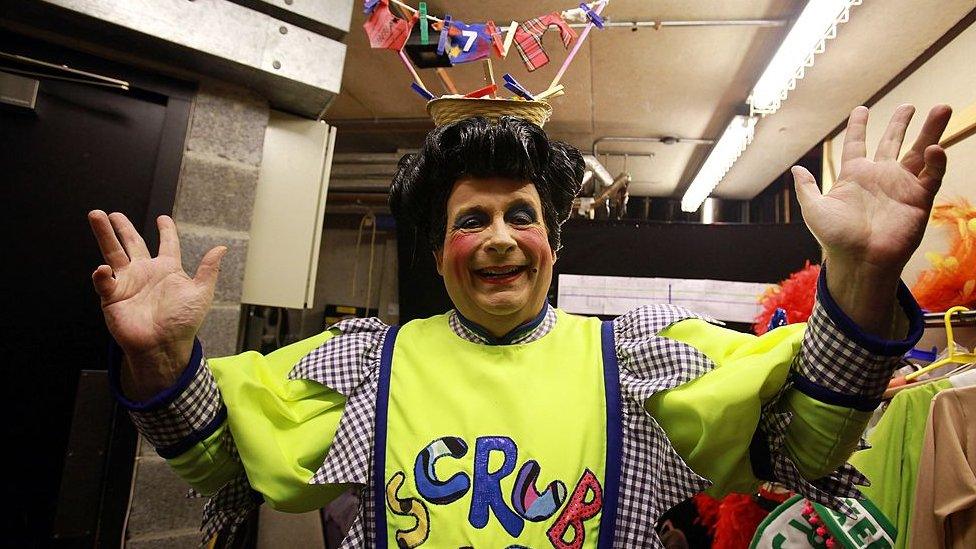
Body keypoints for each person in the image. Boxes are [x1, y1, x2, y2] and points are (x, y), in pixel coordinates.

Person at [88, 104, 951, 548]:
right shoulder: (365, 366)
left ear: (551, 241)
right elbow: (223, 459)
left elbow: (808, 448)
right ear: (438, 253)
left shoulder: (635, 361)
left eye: (520, 214)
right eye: (471, 219)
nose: (499, 236)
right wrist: (161, 357)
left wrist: (862, 279)